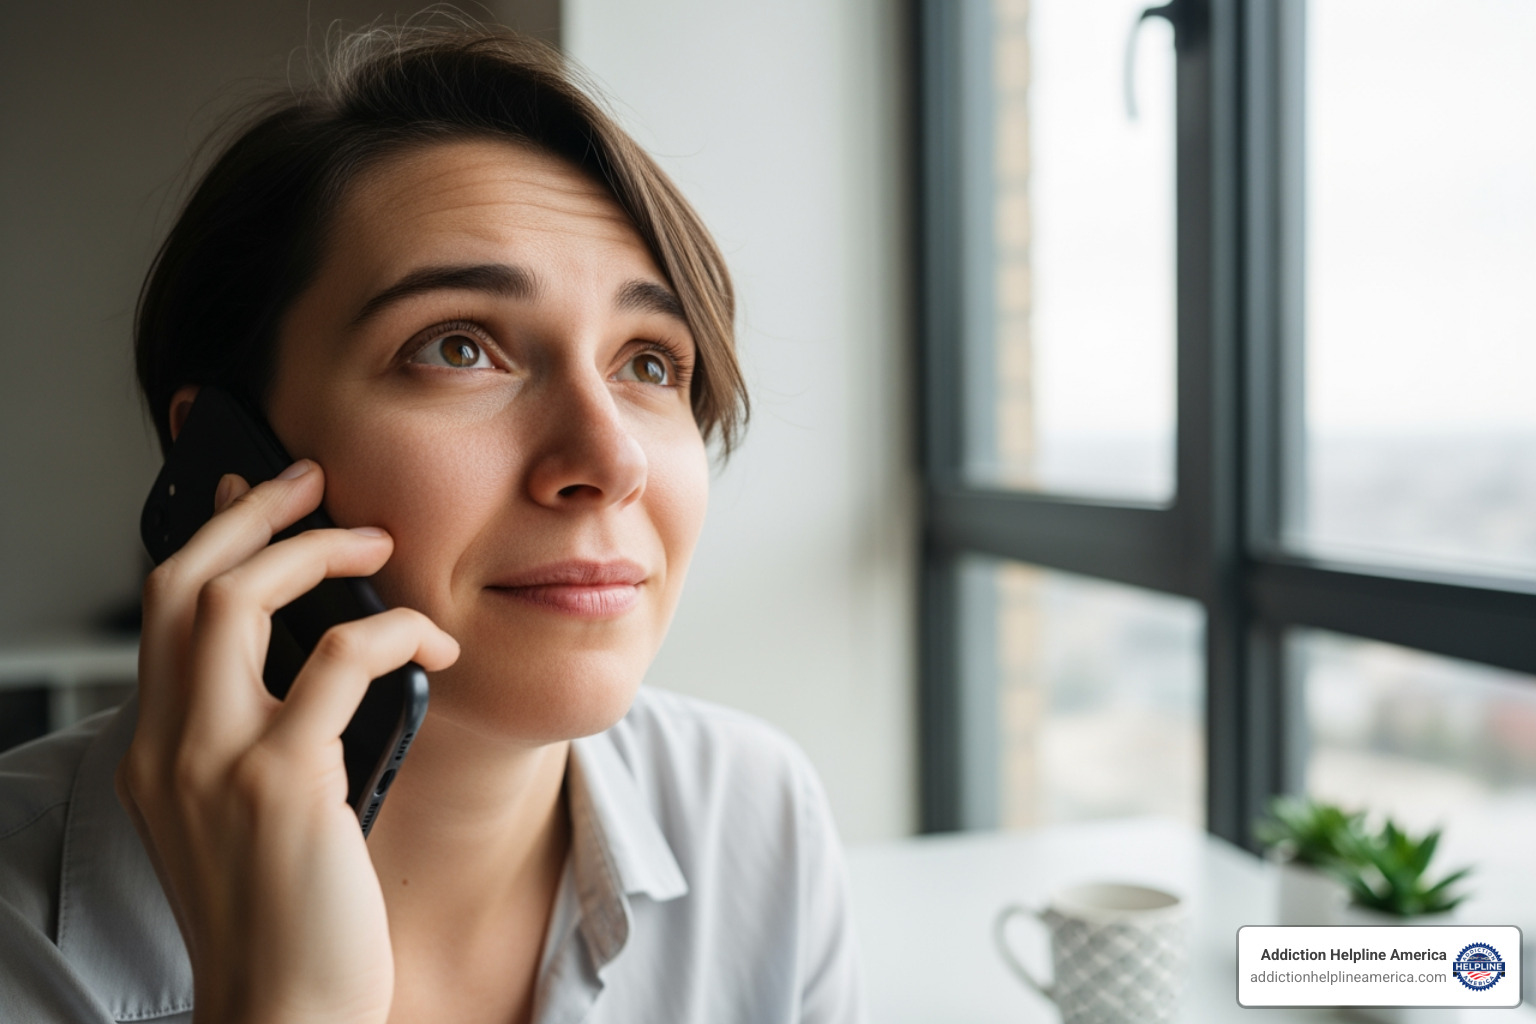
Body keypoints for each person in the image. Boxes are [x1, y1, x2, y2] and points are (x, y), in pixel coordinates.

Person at [0, 20, 865, 1024]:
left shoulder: (754, 819)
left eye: (648, 363)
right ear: (229, 463)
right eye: (458, 348)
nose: (611, 462)